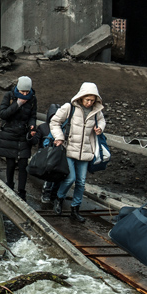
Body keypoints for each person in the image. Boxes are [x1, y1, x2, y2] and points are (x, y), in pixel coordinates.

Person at [49, 82, 106, 223]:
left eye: (92, 100)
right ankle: (59, 198)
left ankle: (75, 209)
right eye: (87, 100)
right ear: (81, 97)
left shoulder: (96, 111)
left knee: (81, 182)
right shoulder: (69, 108)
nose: (89, 103)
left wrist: (100, 129)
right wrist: (59, 137)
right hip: (69, 149)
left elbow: (102, 122)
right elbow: (54, 122)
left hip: (86, 151)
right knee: (70, 178)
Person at [0, 76, 37, 200]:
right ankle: (10, 185)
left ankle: (22, 191)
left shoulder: (32, 99)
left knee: (24, 163)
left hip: (23, 134)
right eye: (22, 92)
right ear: (18, 89)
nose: (25, 94)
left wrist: (32, 125)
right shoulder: (9, 96)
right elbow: (3, 114)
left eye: (27, 92)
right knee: (10, 163)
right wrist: (18, 104)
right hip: (9, 133)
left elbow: (33, 115)